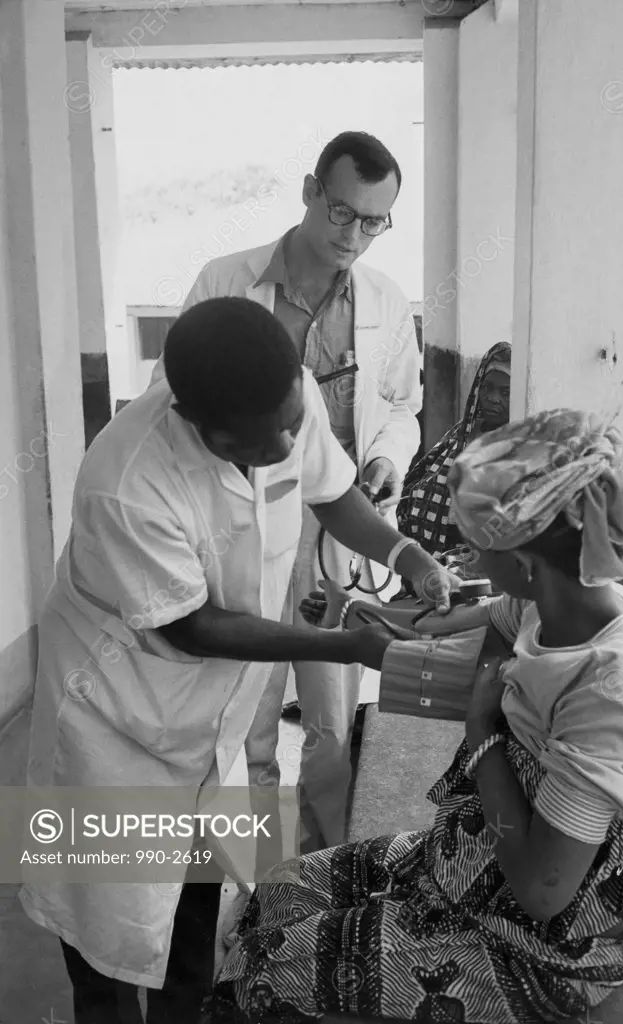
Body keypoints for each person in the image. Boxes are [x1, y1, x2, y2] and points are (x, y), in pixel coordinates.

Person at [19, 297, 451, 1024]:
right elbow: (196, 627)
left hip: (208, 717)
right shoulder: (127, 484)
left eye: (292, 421)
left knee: (195, 900)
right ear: (199, 425)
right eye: (262, 441)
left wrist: (405, 554)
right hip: (115, 719)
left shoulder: (284, 398)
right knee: (105, 935)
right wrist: (347, 644)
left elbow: (333, 491)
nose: (287, 442)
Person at [203, 408, 623, 1024]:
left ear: (524, 565)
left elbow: (543, 893)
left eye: (473, 546)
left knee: (261, 971)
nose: (460, 558)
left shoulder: (614, 689)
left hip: (542, 945)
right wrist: (357, 607)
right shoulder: (557, 603)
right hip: (468, 860)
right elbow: (445, 624)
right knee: (279, 891)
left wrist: (483, 735)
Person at [148, 130, 421, 854]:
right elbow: (177, 395)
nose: (354, 236)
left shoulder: (385, 301)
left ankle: (322, 870)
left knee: (331, 721)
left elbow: (400, 405)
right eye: (341, 213)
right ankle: (266, 879)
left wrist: (389, 457)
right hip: (242, 523)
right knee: (252, 719)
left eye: (373, 221)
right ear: (309, 191)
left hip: (340, 518)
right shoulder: (225, 281)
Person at [394, 341, 510, 593]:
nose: (491, 398)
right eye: (487, 388)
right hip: (443, 540)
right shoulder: (464, 431)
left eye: (505, 393)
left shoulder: (517, 449)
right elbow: (426, 475)